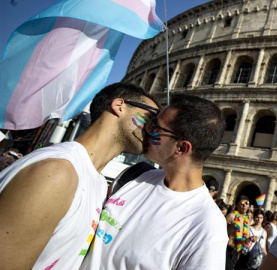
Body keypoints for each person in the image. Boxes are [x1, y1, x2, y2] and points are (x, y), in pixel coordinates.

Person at [0, 83, 159, 270]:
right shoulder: (57, 173)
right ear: (119, 106)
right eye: (151, 118)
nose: (155, 131)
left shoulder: (98, 182)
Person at [80, 93, 228, 269]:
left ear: (181, 148)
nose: (147, 130)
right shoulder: (134, 176)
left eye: (157, 128)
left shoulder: (206, 226)